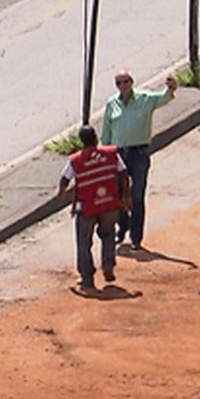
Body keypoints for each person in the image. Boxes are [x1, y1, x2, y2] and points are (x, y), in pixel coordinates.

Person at [100, 68, 176, 251]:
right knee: (117, 195)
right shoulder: (112, 104)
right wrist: (104, 155)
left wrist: (171, 88)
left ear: (132, 82)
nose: (123, 86)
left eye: (126, 81)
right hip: (118, 154)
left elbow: (163, 98)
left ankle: (136, 237)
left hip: (139, 154)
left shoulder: (144, 99)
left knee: (137, 196)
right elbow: (106, 133)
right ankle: (122, 226)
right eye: (119, 83)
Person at [58, 124, 131, 290]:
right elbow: (124, 173)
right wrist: (126, 196)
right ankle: (108, 266)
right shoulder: (110, 153)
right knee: (108, 234)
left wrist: (61, 192)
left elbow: (64, 178)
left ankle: (87, 277)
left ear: (82, 142)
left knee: (84, 242)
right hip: (109, 203)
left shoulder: (76, 160)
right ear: (96, 137)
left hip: (86, 208)